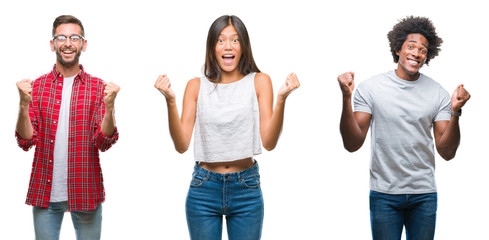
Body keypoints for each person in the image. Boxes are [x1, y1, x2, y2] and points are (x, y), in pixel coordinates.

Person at [155, 15, 300, 240]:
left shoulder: (259, 81)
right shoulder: (195, 86)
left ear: (243, 46)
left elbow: (269, 143)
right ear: (212, 47)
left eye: (235, 40)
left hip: (246, 188)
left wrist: (281, 99)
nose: (228, 46)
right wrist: (170, 101)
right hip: (204, 188)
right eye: (221, 40)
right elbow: (182, 145)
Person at [337, 16, 470, 239]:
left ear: (428, 56)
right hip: (384, 194)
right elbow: (352, 143)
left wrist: (455, 112)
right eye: (411, 46)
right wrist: (346, 98)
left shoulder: (438, 94)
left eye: (423, 50)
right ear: (398, 49)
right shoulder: (371, 88)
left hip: (424, 194)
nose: (416, 53)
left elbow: (447, 152)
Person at [15, 15, 120, 240]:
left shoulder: (98, 88)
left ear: (84, 43)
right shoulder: (37, 87)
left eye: (74, 37)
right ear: (52, 44)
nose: (68, 43)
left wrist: (110, 108)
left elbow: (103, 142)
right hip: (45, 193)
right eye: (61, 37)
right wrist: (23, 105)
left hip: (86, 189)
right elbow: (25, 142)